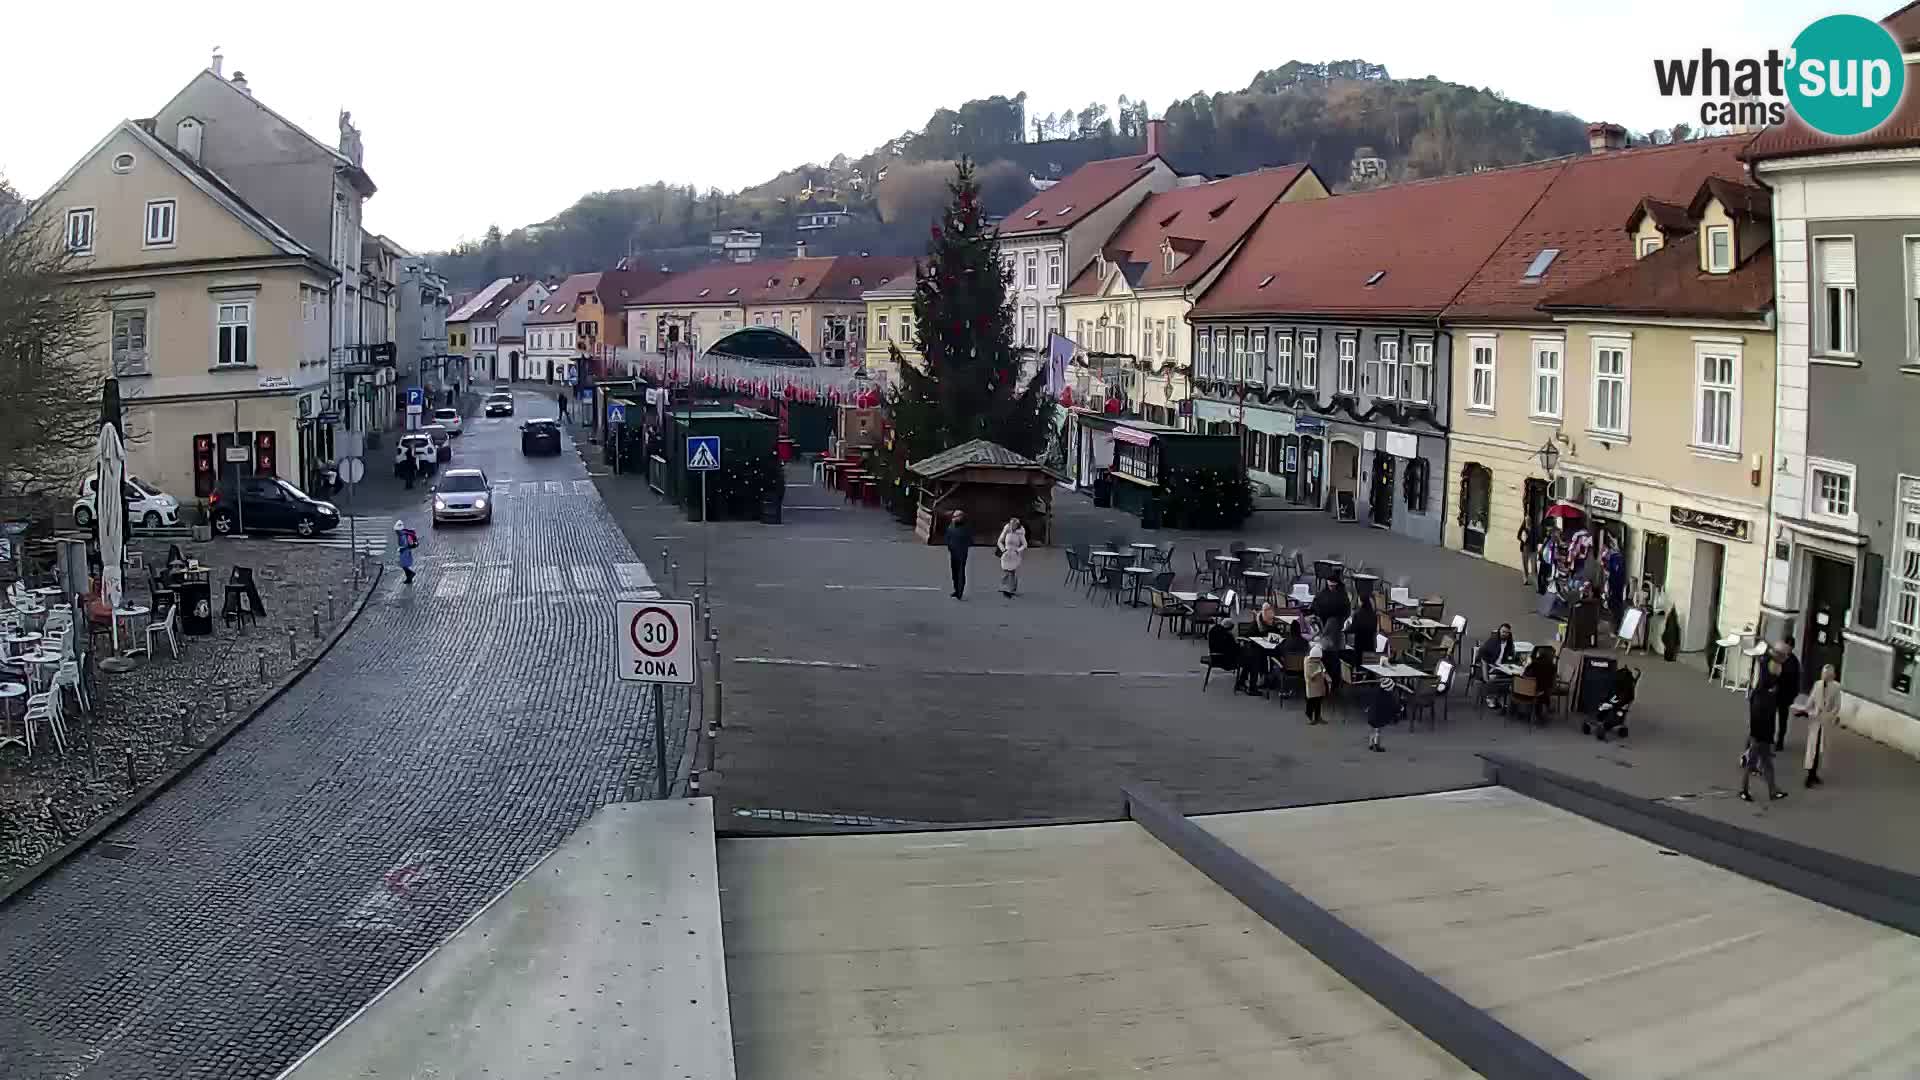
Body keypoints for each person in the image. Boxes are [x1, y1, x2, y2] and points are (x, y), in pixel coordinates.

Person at [1741, 662, 1787, 802]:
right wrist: (1763, 737)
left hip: (1759, 735)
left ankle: (1771, 791)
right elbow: (1763, 718)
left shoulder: (1759, 693)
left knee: (1764, 764)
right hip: (1761, 736)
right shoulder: (1766, 697)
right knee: (1754, 764)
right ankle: (1745, 790)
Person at [1798, 663, 1841, 787]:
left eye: (1828, 675)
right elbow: (1811, 700)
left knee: (1820, 750)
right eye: (1824, 675)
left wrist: (1830, 716)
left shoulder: (1836, 687)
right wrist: (1805, 710)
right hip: (1815, 720)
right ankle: (1809, 775)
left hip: (1825, 722)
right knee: (1812, 749)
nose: (1825, 678)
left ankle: (1814, 774)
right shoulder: (1817, 685)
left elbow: (1837, 706)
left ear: (1832, 676)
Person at [1772, 637, 1801, 752]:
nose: (1787, 649)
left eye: (1789, 647)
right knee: (1771, 717)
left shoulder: (1794, 662)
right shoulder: (1778, 658)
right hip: (1775, 693)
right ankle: (1770, 738)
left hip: (1785, 695)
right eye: (1786, 646)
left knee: (1783, 720)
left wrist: (1793, 695)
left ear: (1792, 648)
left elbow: (1796, 680)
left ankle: (1780, 742)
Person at [996, 517, 1027, 598]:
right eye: (1011, 524)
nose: (1012, 526)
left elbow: (1025, 544)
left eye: (1014, 524)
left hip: (1014, 554)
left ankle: (1010, 589)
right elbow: (999, 541)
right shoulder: (1006, 531)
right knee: (1006, 570)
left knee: (1012, 571)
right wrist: (1003, 550)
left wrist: (1018, 550)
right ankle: (1007, 585)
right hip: (1006, 553)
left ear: (1017, 525)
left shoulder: (1020, 533)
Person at [945, 510, 973, 599]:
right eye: (953, 516)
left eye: (956, 516)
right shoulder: (951, 526)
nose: (954, 518)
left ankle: (960, 591)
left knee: (960, 572)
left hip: (961, 554)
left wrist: (964, 547)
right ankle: (956, 590)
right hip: (953, 553)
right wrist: (949, 546)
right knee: (954, 572)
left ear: (961, 517)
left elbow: (970, 540)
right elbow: (947, 537)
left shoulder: (966, 528)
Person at [1303, 642, 1330, 725]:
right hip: (1312, 687)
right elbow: (1310, 676)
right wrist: (1318, 672)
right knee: (1311, 702)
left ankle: (1318, 717)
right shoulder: (1308, 663)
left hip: (1319, 687)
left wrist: (1327, 676)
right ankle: (1309, 717)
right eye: (1318, 659)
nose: (1319, 660)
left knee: (1319, 702)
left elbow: (1323, 669)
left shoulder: (1318, 662)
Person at [395, 519, 419, 585]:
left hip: (405, 551)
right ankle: (409, 577)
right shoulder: (403, 534)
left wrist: (401, 549)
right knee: (403, 565)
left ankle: (410, 574)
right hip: (406, 551)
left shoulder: (402, 536)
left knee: (403, 565)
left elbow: (405, 544)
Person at [1517, 521, 1537, 586]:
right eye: (1527, 520)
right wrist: (1523, 538)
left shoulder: (1534, 527)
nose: (1528, 522)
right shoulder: (1523, 527)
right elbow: (1518, 536)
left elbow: (1536, 537)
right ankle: (1525, 580)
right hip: (1525, 548)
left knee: (1534, 566)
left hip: (1533, 549)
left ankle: (1535, 580)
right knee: (1525, 564)